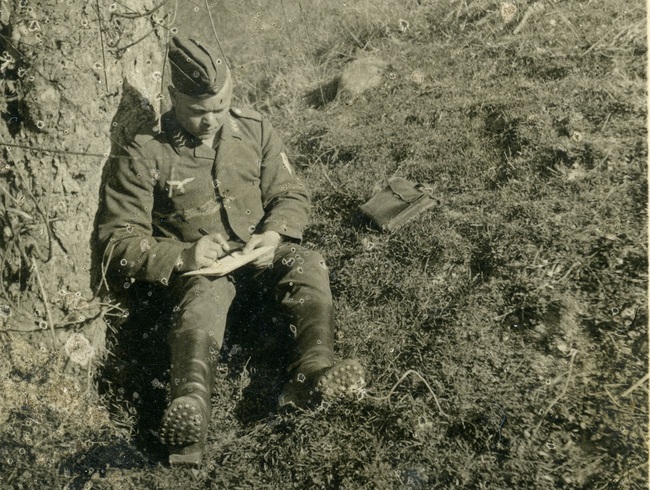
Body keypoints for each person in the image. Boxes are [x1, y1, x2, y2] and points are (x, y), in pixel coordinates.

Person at [96, 36, 365, 466]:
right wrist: (184, 255)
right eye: (199, 112)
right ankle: (190, 412)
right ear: (173, 98)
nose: (210, 121)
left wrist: (274, 233)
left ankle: (312, 372)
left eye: (220, 108)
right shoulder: (145, 152)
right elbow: (118, 239)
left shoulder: (254, 129)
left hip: (258, 256)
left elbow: (291, 193)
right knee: (203, 299)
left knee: (308, 263)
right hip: (201, 273)